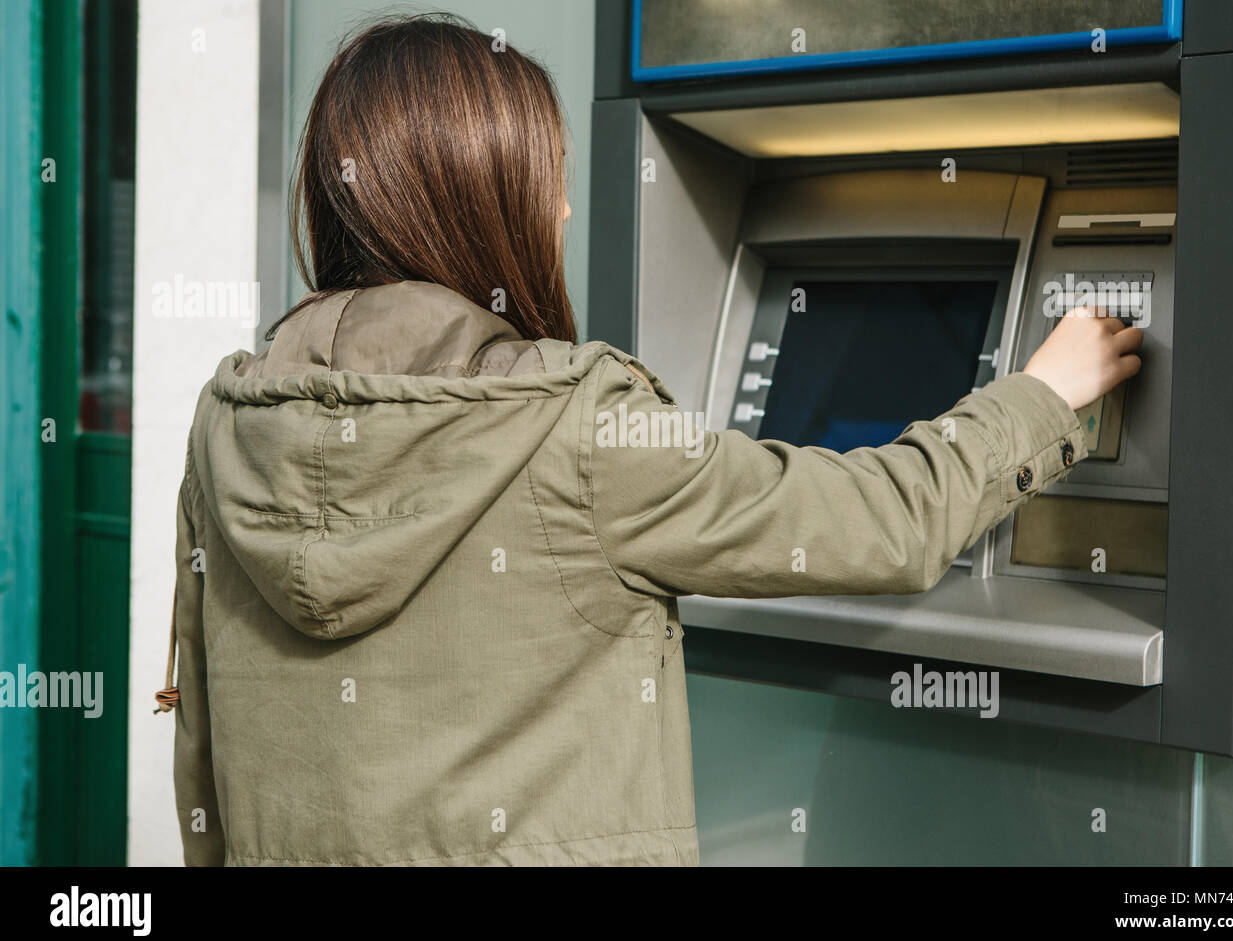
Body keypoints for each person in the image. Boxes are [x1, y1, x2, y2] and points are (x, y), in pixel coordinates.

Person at [159, 14, 1141, 866]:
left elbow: (201, 765)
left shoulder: (231, 425)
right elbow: (885, 522)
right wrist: (1046, 393)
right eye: (545, 181)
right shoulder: (571, 426)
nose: (566, 210)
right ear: (480, 201)